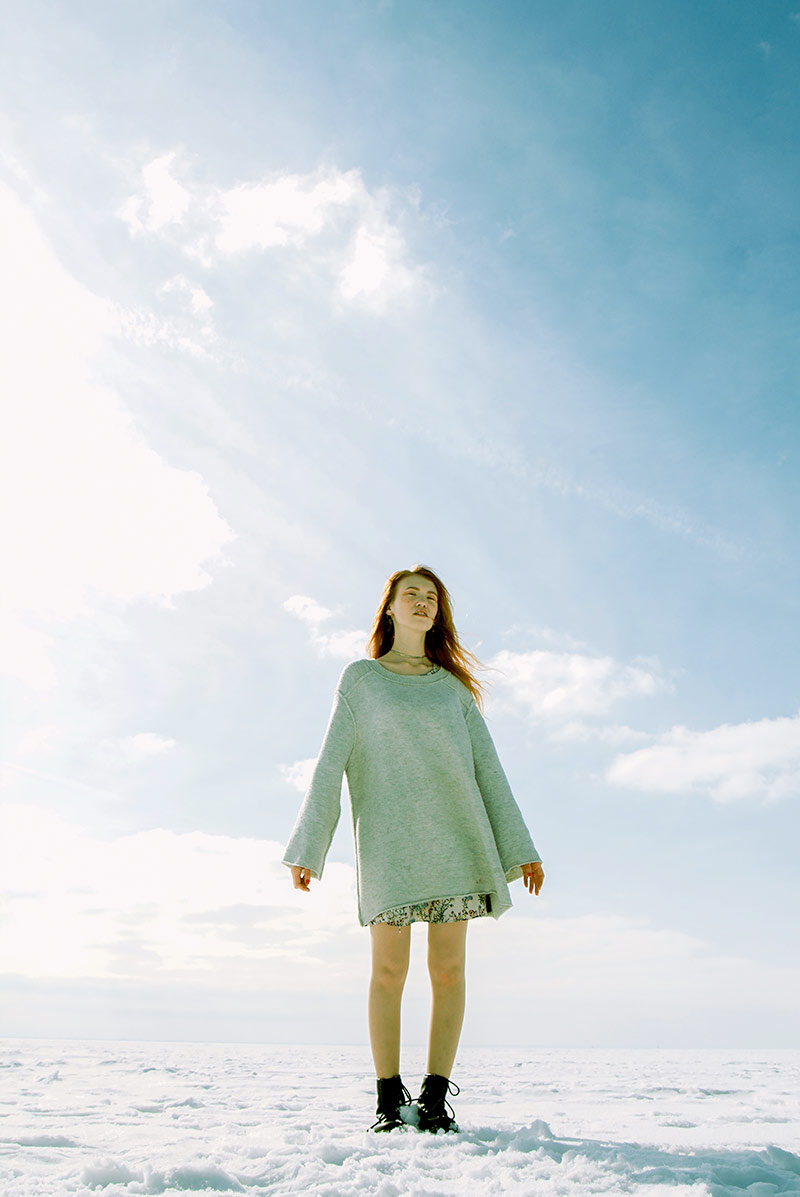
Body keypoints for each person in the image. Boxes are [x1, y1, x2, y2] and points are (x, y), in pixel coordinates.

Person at [282, 564, 544, 1134]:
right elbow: (329, 764)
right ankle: (387, 1099)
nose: (422, 602)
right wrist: (309, 846)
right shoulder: (361, 680)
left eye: (431, 597)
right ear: (390, 607)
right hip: (389, 846)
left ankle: (433, 1098)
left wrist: (520, 847)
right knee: (388, 971)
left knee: (448, 972)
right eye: (411, 595)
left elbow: (489, 770)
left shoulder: (452, 690)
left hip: (456, 841)